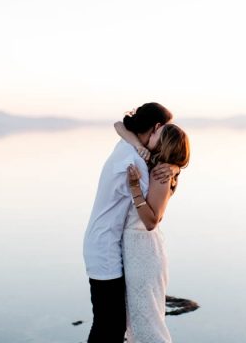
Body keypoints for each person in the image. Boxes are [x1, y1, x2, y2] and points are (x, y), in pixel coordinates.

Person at [82, 103, 178, 343]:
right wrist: (171, 172)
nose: (167, 134)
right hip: (105, 247)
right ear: (156, 127)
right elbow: (151, 217)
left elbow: (120, 126)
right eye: (164, 130)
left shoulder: (127, 146)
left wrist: (174, 167)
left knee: (111, 324)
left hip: (107, 242)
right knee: (108, 326)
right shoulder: (134, 161)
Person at [116, 122, 190, 343]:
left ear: (164, 142)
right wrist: (138, 146)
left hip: (143, 254)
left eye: (158, 131)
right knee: (137, 320)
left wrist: (135, 188)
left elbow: (151, 221)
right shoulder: (154, 163)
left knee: (147, 323)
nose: (154, 130)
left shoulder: (162, 173)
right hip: (136, 250)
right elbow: (120, 125)